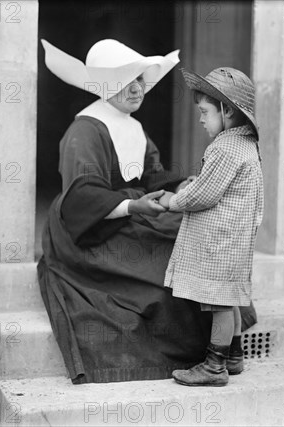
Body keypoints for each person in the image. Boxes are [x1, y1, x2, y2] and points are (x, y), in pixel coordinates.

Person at [37, 39, 257, 384]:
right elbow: (80, 197)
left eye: (141, 79)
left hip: (130, 212)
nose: (138, 88)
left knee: (193, 238)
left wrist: (182, 184)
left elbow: (152, 174)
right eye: (128, 81)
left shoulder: (133, 126)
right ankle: (211, 350)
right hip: (89, 230)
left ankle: (226, 348)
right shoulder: (85, 130)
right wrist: (132, 205)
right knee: (171, 259)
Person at [158, 67, 264, 386]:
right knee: (227, 297)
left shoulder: (224, 147)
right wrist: (196, 183)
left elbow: (204, 195)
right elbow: (216, 185)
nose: (201, 120)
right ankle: (234, 355)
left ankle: (215, 365)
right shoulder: (245, 145)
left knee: (217, 301)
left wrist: (172, 201)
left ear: (227, 110)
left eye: (205, 112)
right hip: (235, 236)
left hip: (220, 240)